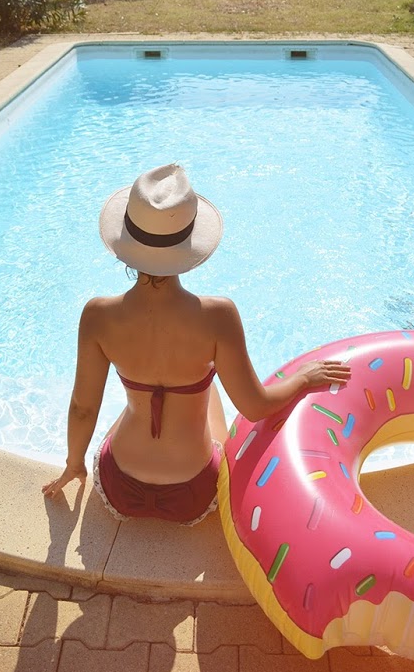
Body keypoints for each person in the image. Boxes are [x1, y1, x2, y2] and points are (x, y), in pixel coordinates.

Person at [42, 163, 350, 524]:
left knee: (133, 404)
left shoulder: (98, 315)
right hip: (191, 493)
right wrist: (303, 377)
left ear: (126, 242)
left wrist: (74, 465)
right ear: (189, 247)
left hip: (120, 488)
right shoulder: (218, 316)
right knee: (209, 389)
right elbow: (255, 406)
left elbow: (82, 407)